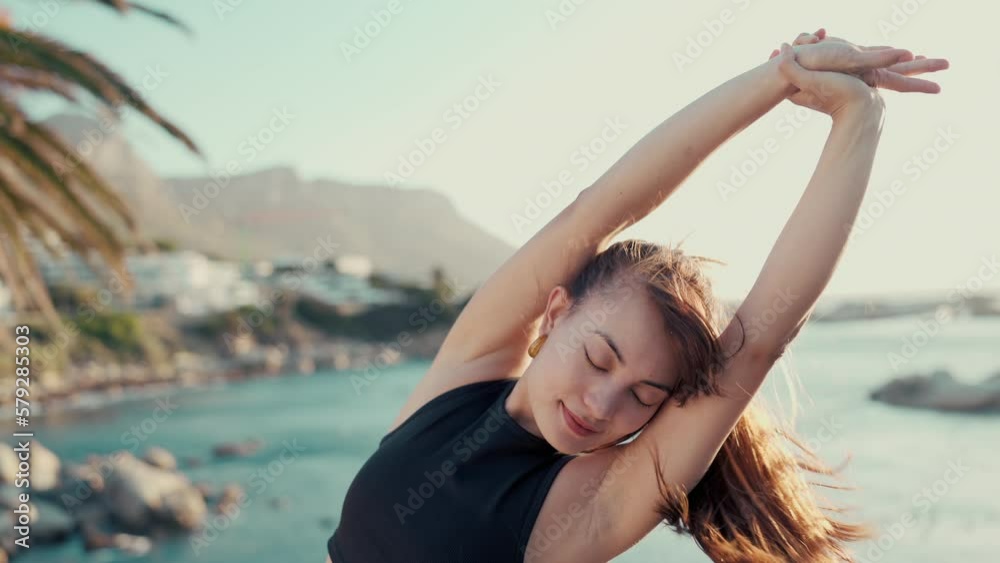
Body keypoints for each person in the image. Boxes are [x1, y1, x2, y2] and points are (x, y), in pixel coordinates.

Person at [327, 29, 949, 563]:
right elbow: (594, 211)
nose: (601, 404)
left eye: (644, 396)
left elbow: (760, 336)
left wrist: (859, 117)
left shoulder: (588, 506)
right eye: (599, 359)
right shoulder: (463, 381)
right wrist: (777, 76)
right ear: (556, 312)